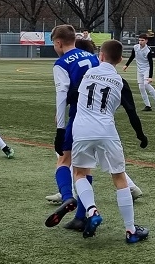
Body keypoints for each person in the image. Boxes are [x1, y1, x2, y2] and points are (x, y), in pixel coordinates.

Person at [44, 26, 142, 230]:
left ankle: (68, 197)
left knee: (66, 161)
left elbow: (64, 93)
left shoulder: (61, 63)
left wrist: (60, 125)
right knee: (100, 167)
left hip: (79, 117)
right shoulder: (92, 58)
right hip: (103, 120)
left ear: (58, 42)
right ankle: (103, 219)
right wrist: (140, 133)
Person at [67, 38, 150, 244]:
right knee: (119, 177)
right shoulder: (121, 82)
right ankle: (130, 231)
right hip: (106, 130)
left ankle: (92, 210)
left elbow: (70, 96)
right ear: (120, 59)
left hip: (82, 129)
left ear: (100, 56)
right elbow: (132, 113)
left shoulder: (86, 74)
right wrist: (141, 135)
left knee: (79, 173)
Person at [123, 33, 155, 112]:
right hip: (139, 70)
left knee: (146, 84)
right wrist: (126, 65)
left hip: (146, 69)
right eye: (139, 40)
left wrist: (150, 76)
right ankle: (148, 105)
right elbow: (132, 56)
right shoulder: (135, 47)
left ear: (146, 41)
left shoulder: (148, 50)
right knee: (141, 87)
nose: (140, 42)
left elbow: (151, 64)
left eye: (142, 40)